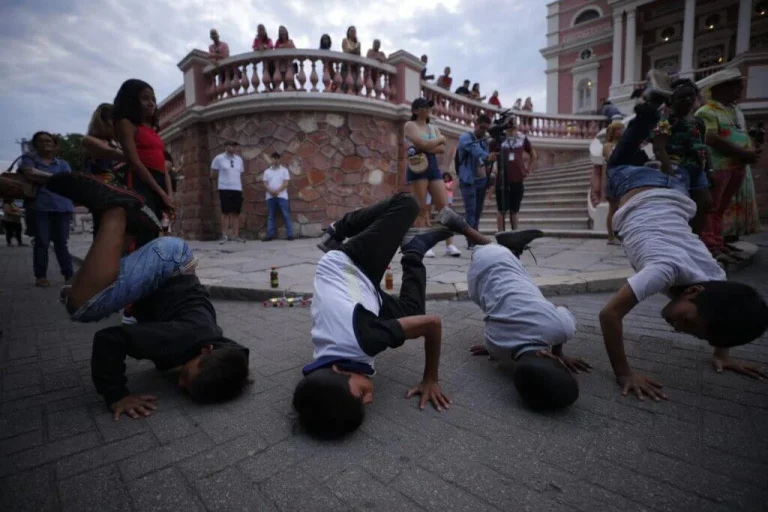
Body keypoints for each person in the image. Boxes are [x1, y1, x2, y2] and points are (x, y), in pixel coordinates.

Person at [599, 71, 768, 401]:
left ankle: (652, 107)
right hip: (634, 182)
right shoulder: (664, 269)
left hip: (676, 186)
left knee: (683, 163)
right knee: (623, 153)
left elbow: (728, 301)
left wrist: (723, 353)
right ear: (693, 290)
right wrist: (625, 373)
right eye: (689, 324)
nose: (679, 329)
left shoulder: (715, 277)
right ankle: (649, 106)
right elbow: (608, 315)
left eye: (693, 333)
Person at [46, 172, 250, 420]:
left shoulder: (220, 350)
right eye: (186, 377)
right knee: (81, 306)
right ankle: (117, 210)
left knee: (73, 290)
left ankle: (131, 228)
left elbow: (236, 364)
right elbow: (109, 339)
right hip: (168, 262)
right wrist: (117, 395)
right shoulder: (183, 338)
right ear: (206, 351)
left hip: (169, 264)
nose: (179, 385)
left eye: (184, 387)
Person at [295, 196, 472, 439]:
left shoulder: (365, 339)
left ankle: (338, 229)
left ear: (338, 370)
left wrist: (430, 379)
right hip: (362, 297)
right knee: (412, 315)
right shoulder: (321, 372)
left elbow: (433, 324)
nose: (369, 399)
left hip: (348, 266)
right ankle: (414, 249)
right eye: (363, 403)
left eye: (360, 395)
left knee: (408, 204)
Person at [463, 226, 591, 410]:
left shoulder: (562, 329)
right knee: (502, 267)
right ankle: (510, 247)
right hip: (476, 282)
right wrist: (491, 348)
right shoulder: (496, 349)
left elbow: (563, 305)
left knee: (498, 254)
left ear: (545, 353)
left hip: (494, 259)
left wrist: (559, 351)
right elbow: (496, 345)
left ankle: (462, 226)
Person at [696, 69, 759, 263]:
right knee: (712, 207)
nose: (740, 90)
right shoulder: (707, 111)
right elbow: (711, 138)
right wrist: (743, 153)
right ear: (721, 88)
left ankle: (718, 241)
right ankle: (710, 245)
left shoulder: (733, 110)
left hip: (735, 166)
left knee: (722, 208)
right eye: (736, 86)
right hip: (719, 165)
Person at [649, 78, 711, 237]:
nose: (688, 100)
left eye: (690, 95)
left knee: (703, 203)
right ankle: (678, 239)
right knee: (680, 207)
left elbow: (703, 145)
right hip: (678, 168)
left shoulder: (698, 121)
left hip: (698, 168)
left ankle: (694, 239)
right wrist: (669, 169)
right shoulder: (666, 121)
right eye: (682, 97)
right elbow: (659, 147)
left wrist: (709, 168)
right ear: (672, 100)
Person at [113, 78, 171, 247]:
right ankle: (130, 269)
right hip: (141, 181)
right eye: (145, 98)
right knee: (142, 229)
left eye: (153, 99)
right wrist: (161, 193)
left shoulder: (151, 128)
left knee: (155, 230)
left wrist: (168, 195)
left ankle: (150, 269)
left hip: (159, 180)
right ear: (131, 100)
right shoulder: (127, 124)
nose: (151, 103)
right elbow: (135, 162)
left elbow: (163, 165)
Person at [404, 98, 461, 257]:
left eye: (428, 106)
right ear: (415, 110)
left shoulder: (433, 127)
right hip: (418, 168)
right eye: (423, 106)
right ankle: (424, 244)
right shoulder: (410, 125)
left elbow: (441, 149)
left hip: (433, 168)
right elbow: (422, 143)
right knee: (421, 208)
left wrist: (430, 144)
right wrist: (439, 139)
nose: (427, 108)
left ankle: (450, 245)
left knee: (444, 207)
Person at [18, 132, 75, 287]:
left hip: (62, 207)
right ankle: (41, 275)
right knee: (42, 242)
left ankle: (69, 275)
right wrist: (56, 178)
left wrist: (44, 177)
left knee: (61, 243)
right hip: (40, 207)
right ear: (35, 144)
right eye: (41, 141)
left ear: (54, 144)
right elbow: (30, 173)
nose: (45, 143)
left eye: (48, 141)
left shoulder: (62, 163)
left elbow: (69, 181)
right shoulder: (29, 159)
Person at [457, 114, 496, 249]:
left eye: (486, 129)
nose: (483, 131)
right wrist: (487, 156)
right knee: (471, 211)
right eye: (482, 127)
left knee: (478, 211)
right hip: (468, 180)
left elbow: (485, 160)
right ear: (476, 124)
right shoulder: (465, 138)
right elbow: (475, 150)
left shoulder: (485, 141)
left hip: (481, 180)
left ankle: (475, 236)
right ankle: (471, 240)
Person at [494, 121, 536, 232]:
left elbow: (533, 154)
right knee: (501, 209)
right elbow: (490, 154)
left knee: (515, 209)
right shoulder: (499, 139)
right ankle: (501, 235)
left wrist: (528, 169)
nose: (512, 128)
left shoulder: (522, 138)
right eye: (510, 125)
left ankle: (515, 234)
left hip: (517, 179)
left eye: (514, 125)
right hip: (502, 179)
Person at [210, 142, 245, 244]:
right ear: (226, 146)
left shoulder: (239, 159)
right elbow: (213, 174)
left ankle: (235, 235)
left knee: (236, 212)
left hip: (237, 188)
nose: (233, 148)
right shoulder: (219, 158)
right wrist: (222, 182)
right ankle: (224, 235)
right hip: (225, 188)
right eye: (231, 145)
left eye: (234, 146)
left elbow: (240, 174)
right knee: (225, 212)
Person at [263, 152, 294, 241]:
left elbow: (286, 183)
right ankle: (270, 236)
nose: (275, 160)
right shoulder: (267, 171)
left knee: (286, 215)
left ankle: (290, 235)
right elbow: (265, 184)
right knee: (271, 216)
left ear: (279, 159)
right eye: (274, 158)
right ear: (271, 159)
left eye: (277, 158)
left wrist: (278, 191)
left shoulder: (284, 170)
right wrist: (271, 191)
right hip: (270, 196)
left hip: (282, 196)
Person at [602, 121, 624, 245]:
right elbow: (611, 159)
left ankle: (619, 232)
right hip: (613, 177)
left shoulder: (623, 145)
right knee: (613, 208)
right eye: (619, 129)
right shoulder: (608, 145)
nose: (622, 132)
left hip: (623, 176)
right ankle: (611, 236)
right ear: (613, 131)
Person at [341, 26, 361, 92]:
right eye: (351, 31)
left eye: (354, 31)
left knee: (354, 85)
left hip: (354, 67)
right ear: (348, 32)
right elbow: (346, 51)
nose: (353, 32)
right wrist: (354, 51)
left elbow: (359, 54)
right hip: (346, 66)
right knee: (345, 83)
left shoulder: (358, 43)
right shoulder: (345, 40)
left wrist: (356, 51)